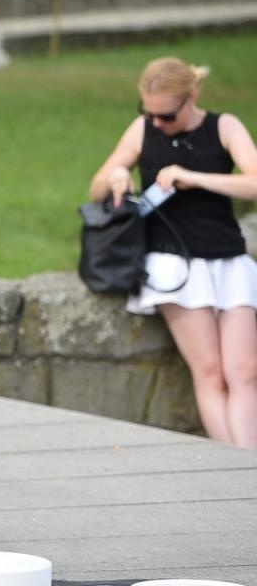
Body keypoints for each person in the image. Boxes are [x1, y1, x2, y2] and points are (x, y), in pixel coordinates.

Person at [88, 58, 257, 448]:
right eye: (148, 113)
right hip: (173, 262)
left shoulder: (224, 126)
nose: (156, 123)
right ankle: (236, 460)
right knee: (210, 371)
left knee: (245, 371)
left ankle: (247, 460)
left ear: (191, 96)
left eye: (165, 115)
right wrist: (115, 176)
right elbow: (97, 188)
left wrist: (194, 177)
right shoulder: (142, 129)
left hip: (227, 258)